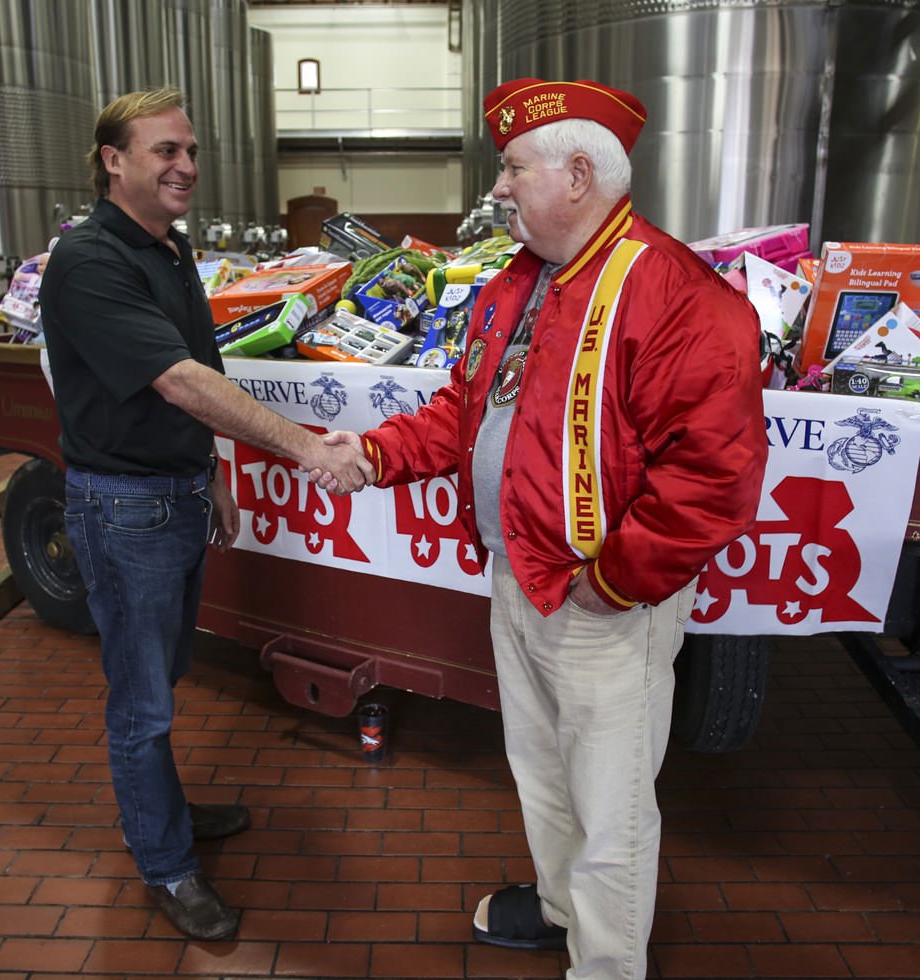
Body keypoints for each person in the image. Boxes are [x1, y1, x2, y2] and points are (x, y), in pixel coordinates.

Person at [319, 79, 767, 979]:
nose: (499, 187)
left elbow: (712, 474)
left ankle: (606, 965)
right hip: (518, 576)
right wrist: (370, 454)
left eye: (513, 168)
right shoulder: (519, 283)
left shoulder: (676, 294)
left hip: (600, 598)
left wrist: (614, 581)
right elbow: (462, 412)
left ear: (575, 174)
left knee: (612, 807)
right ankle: (564, 910)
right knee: (543, 773)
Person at [38, 88, 371, 941]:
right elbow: (179, 381)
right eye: (164, 151)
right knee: (141, 701)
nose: (186, 165)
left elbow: (200, 363)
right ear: (114, 161)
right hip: (123, 511)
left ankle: (165, 815)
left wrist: (213, 468)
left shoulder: (171, 249)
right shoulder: (90, 260)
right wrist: (303, 448)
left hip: (178, 496)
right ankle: (164, 861)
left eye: (190, 150)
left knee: (164, 678)